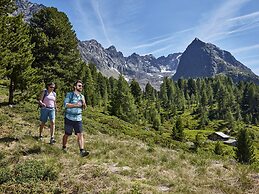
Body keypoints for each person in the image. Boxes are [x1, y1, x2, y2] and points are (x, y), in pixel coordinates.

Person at [62, 80, 89, 157]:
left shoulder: (82, 96)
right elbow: (66, 104)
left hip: (78, 118)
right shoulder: (69, 95)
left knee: (80, 134)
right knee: (67, 134)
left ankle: (82, 151)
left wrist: (84, 104)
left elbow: (84, 108)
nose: (81, 87)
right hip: (69, 118)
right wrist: (76, 105)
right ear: (75, 87)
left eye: (82, 86)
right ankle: (64, 147)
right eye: (79, 86)